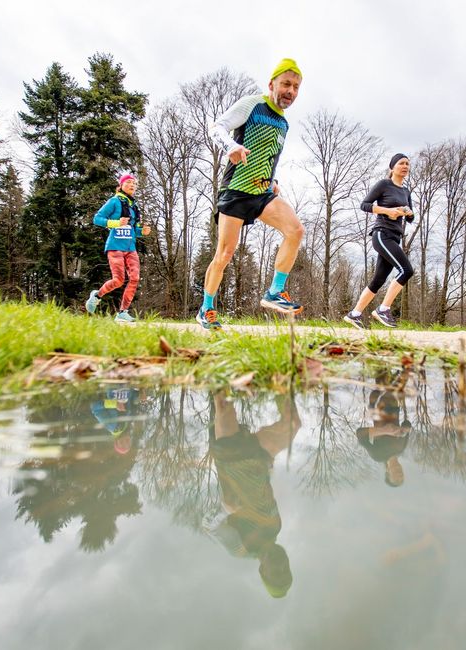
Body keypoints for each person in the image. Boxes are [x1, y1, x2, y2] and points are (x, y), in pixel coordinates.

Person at [197, 58, 306, 330]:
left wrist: (273, 180)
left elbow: (268, 157)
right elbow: (216, 127)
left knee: (296, 231)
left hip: (261, 193)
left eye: (295, 87)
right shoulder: (252, 104)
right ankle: (206, 309)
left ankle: (274, 292)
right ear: (272, 84)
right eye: (285, 84)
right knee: (224, 254)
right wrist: (230, 146)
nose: (290, 91)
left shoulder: (284, 124)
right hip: (236, 190)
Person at [204, 392, 301, 597]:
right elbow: (262, 493)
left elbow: (208, 526)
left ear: (262, 572)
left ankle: (220, 366)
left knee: (223, 403)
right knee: (293, 423)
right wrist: (269, 469)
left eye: (276, 572)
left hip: (231, 458)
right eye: (286, 570)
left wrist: (224, 509)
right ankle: (278, 377)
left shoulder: (240, 549)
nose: (281, 566)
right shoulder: (276, 528)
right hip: (260, 460)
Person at [344, 153, 415, 329]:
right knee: (406, 270)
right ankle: (383, 309)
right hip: (382, 234)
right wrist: (387, 211)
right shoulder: (384, 184)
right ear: (392, 167)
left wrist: (408, 213)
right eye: (401, 163)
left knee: (378, 280)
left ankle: (355, 314)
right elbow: (365, 205)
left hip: (395, 236)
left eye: (407, 163)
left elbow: (411, 217)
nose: (405, 166)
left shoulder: (406, 191)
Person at [85, 174, 151, 323]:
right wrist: (116, 223)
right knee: (119, 280)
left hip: (130, 247)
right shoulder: (114, 201)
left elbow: (134, 228)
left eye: (134, 183)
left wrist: (143, 232)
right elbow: (97, 219)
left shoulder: (134, 206)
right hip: (115, 246)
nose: (132, 185)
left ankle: (122, 312)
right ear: (121, 185)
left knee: (134, 278)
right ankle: (97, 296)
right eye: (128, 182)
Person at [356, 369, 411, 487]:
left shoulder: (378, 455)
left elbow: (360, 434)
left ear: (387, 472)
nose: (399, 473)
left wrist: (385, 430)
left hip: (378, 407)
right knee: (395, 378)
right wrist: (406, 429)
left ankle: (378, 360)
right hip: (394, 405)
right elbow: (407, 424)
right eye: (401, 475)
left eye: (396, 476)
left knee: (381, 372)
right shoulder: (402, 448)